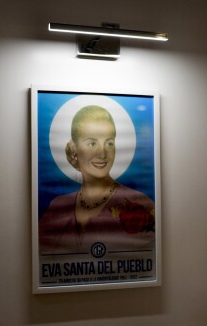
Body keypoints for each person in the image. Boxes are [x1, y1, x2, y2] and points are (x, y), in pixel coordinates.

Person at [38, 105, 155, 255]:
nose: (102, 153)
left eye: (109, 143)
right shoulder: (57, 206)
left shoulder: (139, 204)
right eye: (92, 143)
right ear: (74, 149)